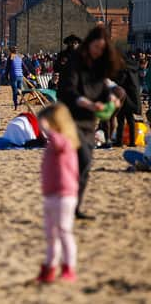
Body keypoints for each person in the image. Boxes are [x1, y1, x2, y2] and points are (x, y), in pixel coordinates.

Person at [58, 26, 123, 220]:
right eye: (96, 47)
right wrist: (85, 102)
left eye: (102, 49)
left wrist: (112, 99)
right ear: (89, 44)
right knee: (81, 159)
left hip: (88, 122)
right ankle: (65, 204)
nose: (97, 52)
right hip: (70, 119)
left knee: (85, 166)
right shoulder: (75, 62)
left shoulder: (99, 67)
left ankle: (75, 207)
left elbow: (104, 89)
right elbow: (68, 90)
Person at [36, 104, 80, 283]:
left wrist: (49, 130)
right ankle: (50, 266)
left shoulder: (64, 142)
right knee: (51, 235)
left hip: (64, 195)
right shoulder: (54, 143)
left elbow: (59, 142)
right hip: (51, 194)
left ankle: (69, 267)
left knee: (64, 232)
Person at [114, 53, 142, 147]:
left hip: (124, 98)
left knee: (121, 120)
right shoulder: (133, 69)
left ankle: (119, 141)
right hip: (132, 98)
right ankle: (132, 142)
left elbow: (120, 82)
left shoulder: (124, 70)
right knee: (130, 120)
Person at [4, 46, 29, 110]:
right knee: (20, 90)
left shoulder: (11, 56)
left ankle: (15, 106)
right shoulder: (20, 56)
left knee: (14, 92)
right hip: (20, 75)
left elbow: (7, 67)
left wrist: (6, 76)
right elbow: (24, 66)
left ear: (11, 51)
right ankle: (20, 97)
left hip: (14, 76)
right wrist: (28, 72)